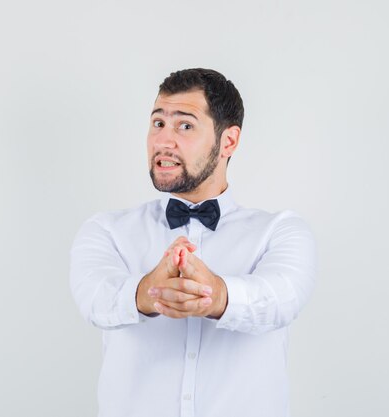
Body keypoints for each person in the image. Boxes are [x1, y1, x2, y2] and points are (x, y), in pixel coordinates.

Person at [70, 68, 316, 417]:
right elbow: (95, 299)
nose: (163, 141)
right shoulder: (107, 230)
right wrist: (146, 292)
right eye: (158, 124)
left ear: (228, 141)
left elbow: (282, 298)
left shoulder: (279, 231)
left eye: (184, 126)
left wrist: (217, 295)